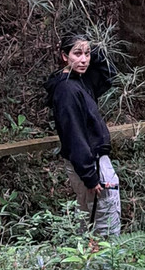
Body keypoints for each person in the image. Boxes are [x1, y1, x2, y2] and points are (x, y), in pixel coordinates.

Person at [44, 32, 121, 236]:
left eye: (87, 53)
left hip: (93, 162)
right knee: (104, 223)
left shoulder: (81, 81)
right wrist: (90, 176)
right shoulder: (67, 89)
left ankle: (93, 266)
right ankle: (104, 267)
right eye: (77, 53)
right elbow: (73, 133)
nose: (84, 59)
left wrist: (94, 47)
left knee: (91, 219)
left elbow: (109, 75)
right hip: (91, 163)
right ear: (64, 56)